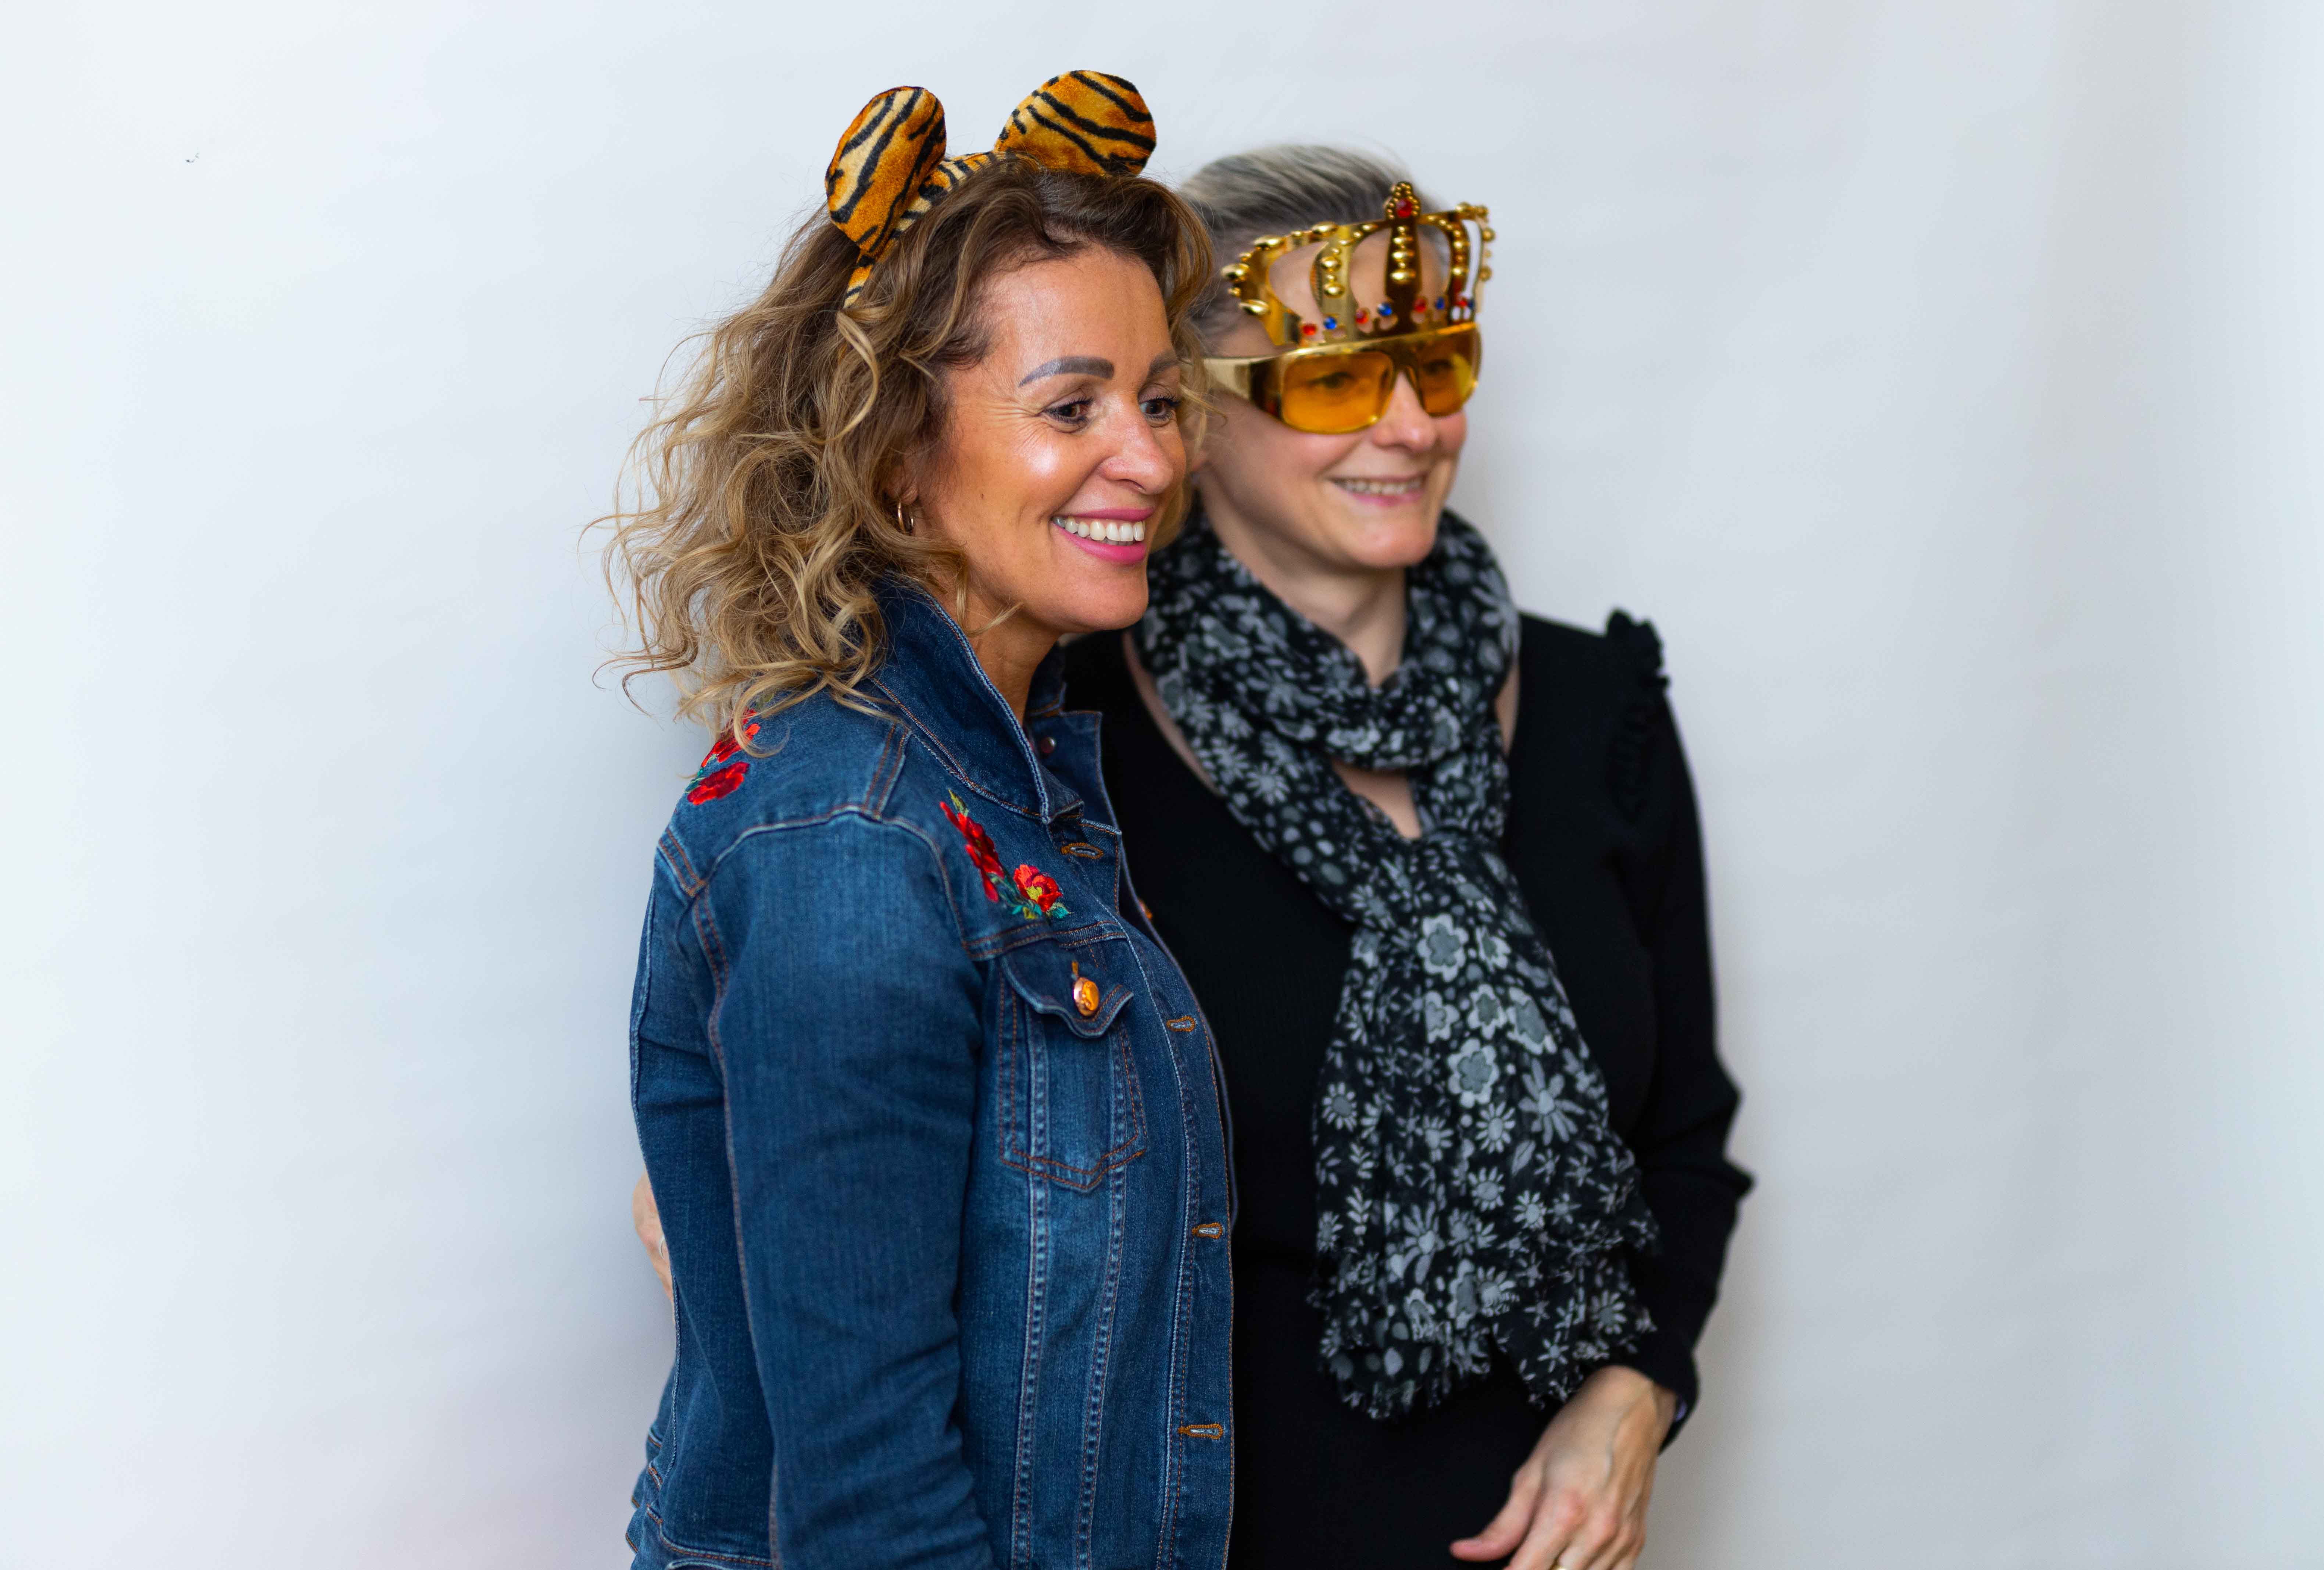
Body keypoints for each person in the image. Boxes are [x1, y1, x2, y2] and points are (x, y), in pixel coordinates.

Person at [1055, 148, 1752, 1570]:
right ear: (1192, 414)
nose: (1413, 425)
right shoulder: (1067, 744)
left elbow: (1686, 1133)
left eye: (1438, 363)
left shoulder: (1600, 709)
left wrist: (1637, 1387)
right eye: (1333, 378)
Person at [604, 74, 1236, 1570]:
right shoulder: (854, 839)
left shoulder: (1008, 791)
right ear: (895, 453)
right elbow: (869, 1507)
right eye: (1071, 407)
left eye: (1158, 402)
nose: (1151, 459)